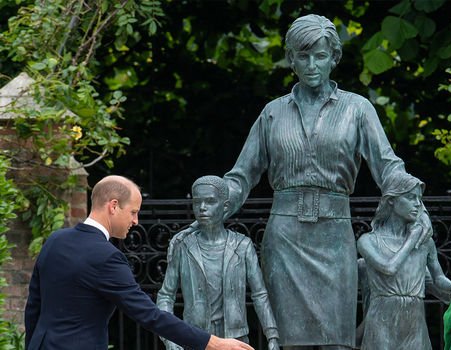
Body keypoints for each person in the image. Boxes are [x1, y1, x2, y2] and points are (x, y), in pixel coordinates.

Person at [223, 14, 429, 349]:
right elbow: (241, 175)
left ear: (334, 58)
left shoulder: (357, 109)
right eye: (303, 57)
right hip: (285, 238)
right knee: (290, 341)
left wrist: (411, 195)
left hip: (334, 233)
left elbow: (387, 166)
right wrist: (219, 202)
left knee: (338, 340)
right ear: (291, 59)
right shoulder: (273, 112)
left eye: (320, 56)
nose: (311, 65)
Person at [24, 175, 254, 350]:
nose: (136, 221)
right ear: (113, 206)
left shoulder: (55, 240)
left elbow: (34, 306)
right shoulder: (106, 257)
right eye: (133, 212)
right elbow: (149, 314)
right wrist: (211, 342)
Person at [157, 176, 280, 350]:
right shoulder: (183, 247)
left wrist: (272, 335)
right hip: (196, 338)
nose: (202, 208)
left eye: (210, 202)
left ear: (225, 206)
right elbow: (166, 295)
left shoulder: (242, 246)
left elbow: (259, 294)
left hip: (236, 338)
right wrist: (169, 338)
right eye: (197, 202)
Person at [357, 173, 451, 350]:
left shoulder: (425, 243)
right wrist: (412, 239)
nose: (417, 204)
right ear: (391, 200)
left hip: (414, 322)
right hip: (382, 320)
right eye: (411, 198)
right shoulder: (368, 241)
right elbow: (389, 268)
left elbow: (438, 279)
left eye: (419, 199)